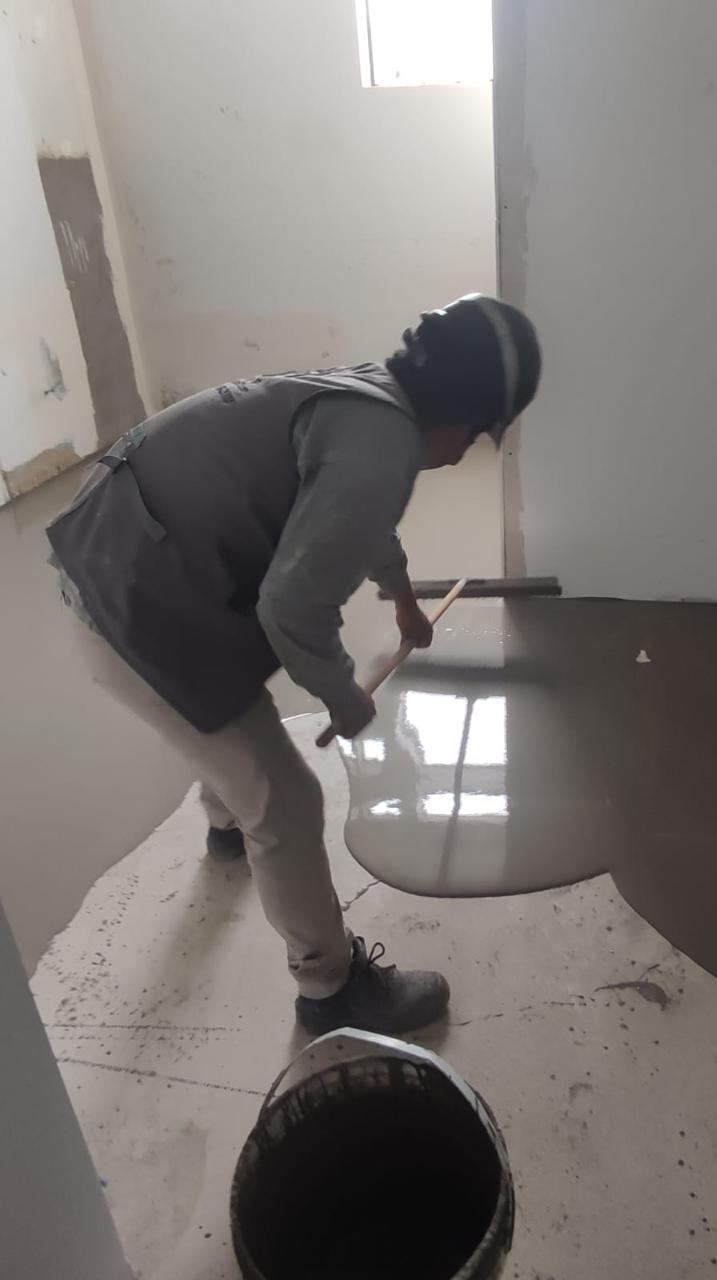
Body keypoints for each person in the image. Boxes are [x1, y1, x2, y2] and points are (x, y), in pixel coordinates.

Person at [48, 294, 541, 1036]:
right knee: (286, 800)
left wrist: (404, 603)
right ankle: (330, 988)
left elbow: (353, 518)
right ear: (462, 413)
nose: (468, 450)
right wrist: (343, 693)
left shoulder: (371, 397)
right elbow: (291, 609)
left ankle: (224, 821)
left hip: (119, 544)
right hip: (131, 604)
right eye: (478, 433)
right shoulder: (380, 447)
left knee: (236, 689)